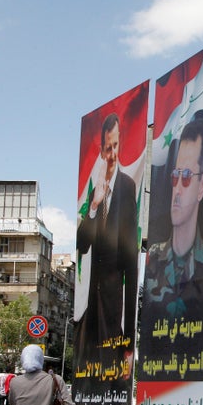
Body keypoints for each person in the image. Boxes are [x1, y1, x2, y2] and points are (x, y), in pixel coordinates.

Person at [143, 118, 203, 321]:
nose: (177, 188)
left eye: (186, 176)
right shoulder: (153, 260)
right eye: (175, 175)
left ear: (202, 185)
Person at [75, 113, 138, 363]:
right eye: (107, 148)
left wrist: (130, 339)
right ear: (101, 150)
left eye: (115, 146)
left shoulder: (127, 187)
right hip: (91, 313)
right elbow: (82, 244)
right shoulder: (96, 191)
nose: (112, 154)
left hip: (114, 318)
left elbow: (132, 267)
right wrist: (93, 205)